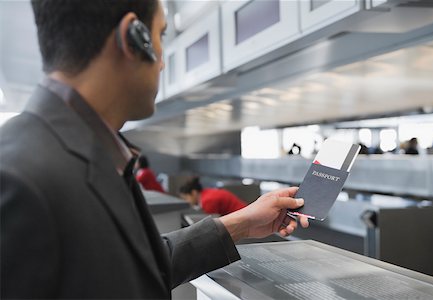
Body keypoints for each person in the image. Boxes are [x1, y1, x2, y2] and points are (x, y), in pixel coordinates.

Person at [0, 0, 309, 299]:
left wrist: (241, 222)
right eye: (160, 36)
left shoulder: (93, 155)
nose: (162, 62)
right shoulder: (17, 179)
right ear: (132, 37)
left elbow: (138, 267)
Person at [179, 177, 247, 216]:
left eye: (186, 198)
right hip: (242, 214)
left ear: (193, 193)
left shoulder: (207, 200)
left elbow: (213, 224)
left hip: (242, 217)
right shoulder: (207, 193)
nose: (186, 201)